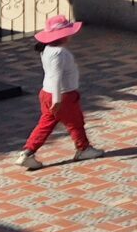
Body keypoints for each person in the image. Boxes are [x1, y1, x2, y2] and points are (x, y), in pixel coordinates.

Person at [19, 13, 104, 169]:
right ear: (64, 36)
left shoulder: (46, 50)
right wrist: (57, 100)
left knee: (45, 124)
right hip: (63, 95)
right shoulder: (59, 53)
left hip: (46, 93)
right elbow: (56, 76)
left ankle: (27, 151)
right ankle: (83, 149)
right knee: (76, 123)